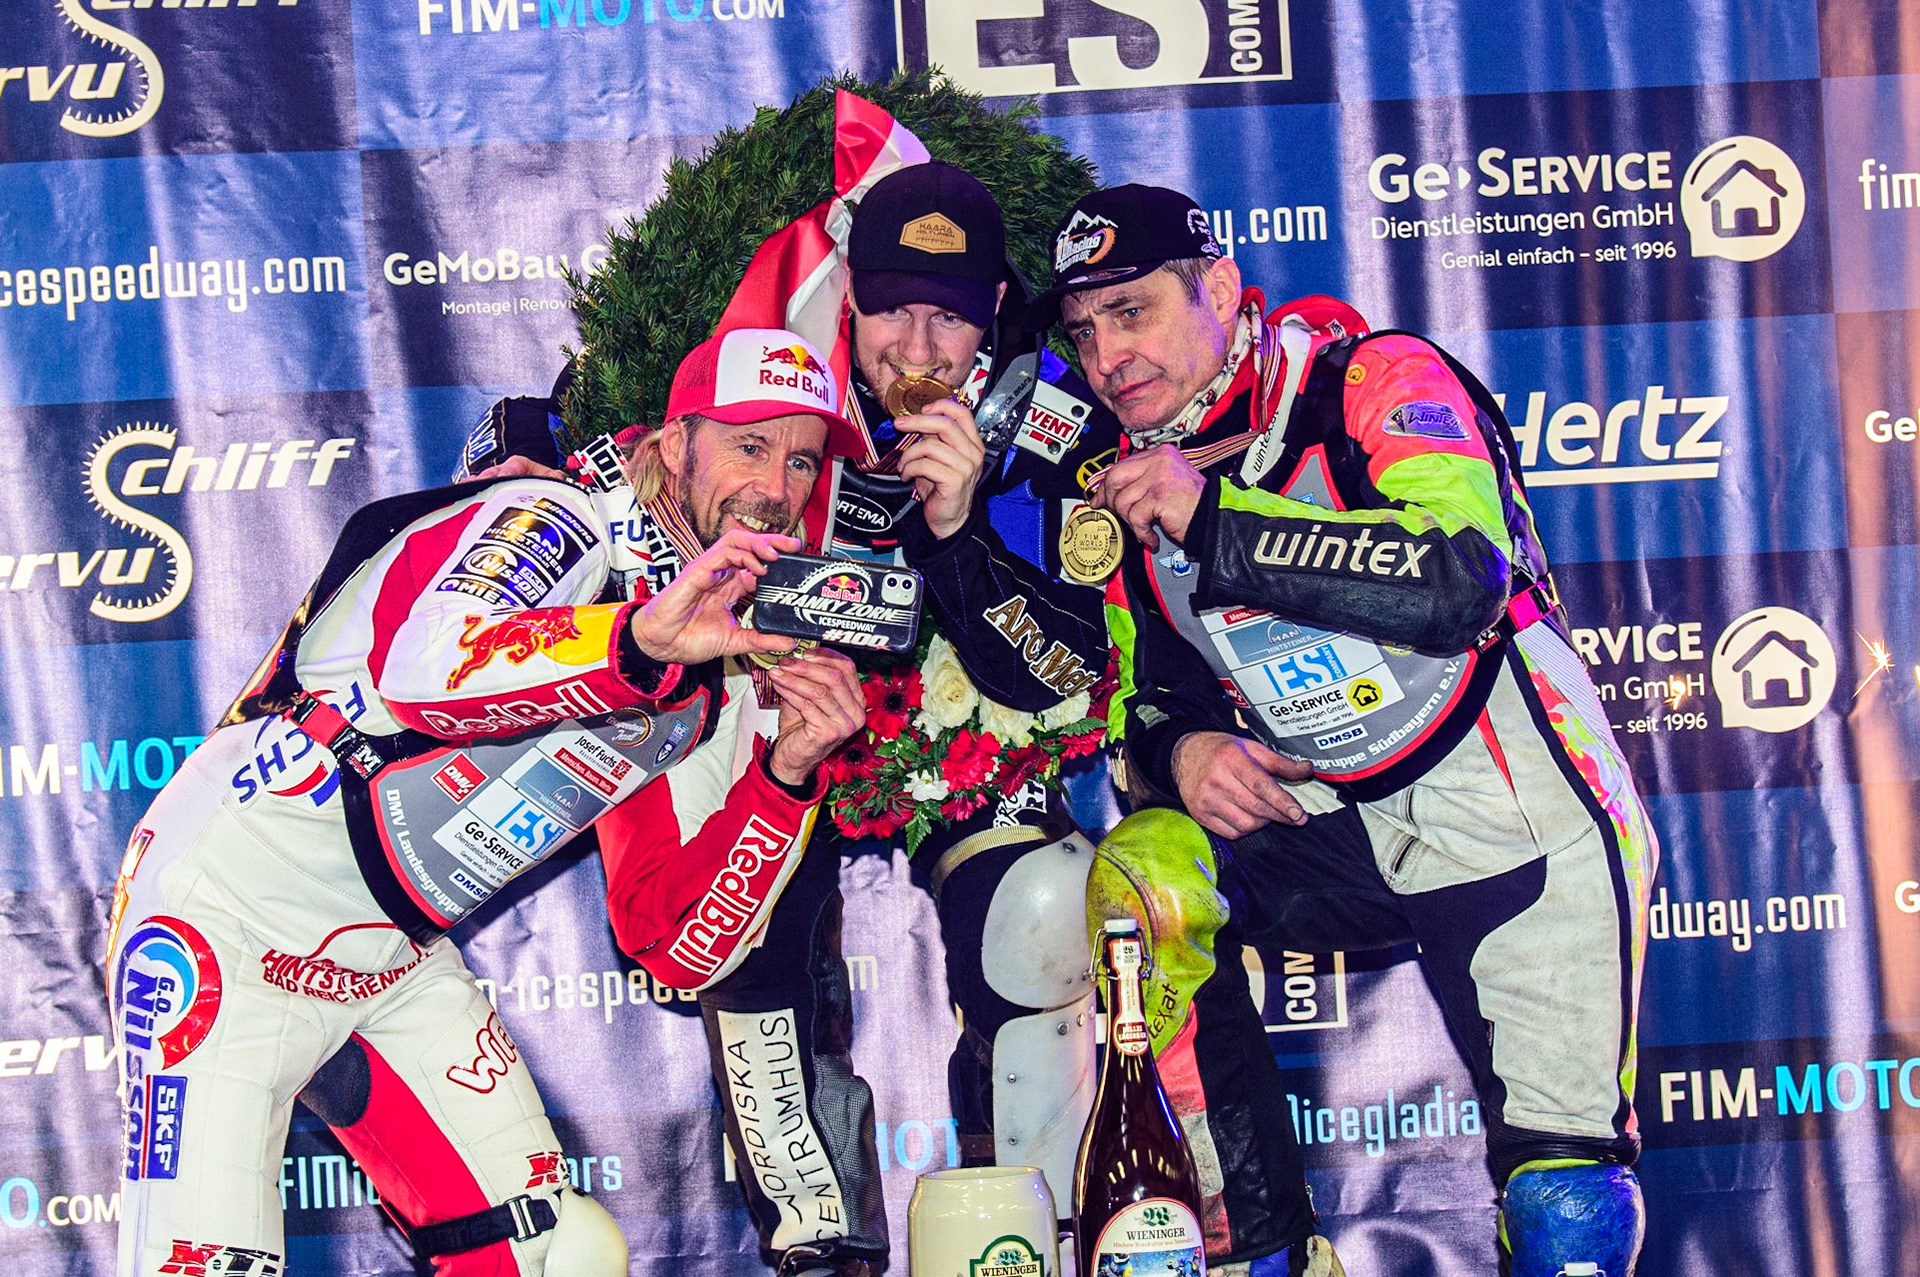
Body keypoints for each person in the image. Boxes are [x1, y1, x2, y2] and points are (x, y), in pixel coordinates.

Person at [106, 328, 868, 1277]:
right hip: (225, 914)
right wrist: (632, 645)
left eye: (801, 459)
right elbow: (427, 667)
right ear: (675, 444)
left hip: (383, 955)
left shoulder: (712, 655)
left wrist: (785, 771)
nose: (777, 487)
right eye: (749, 445)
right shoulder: (551, 513)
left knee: (556, 1253)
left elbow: (674, 944)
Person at [1026, 184, 1657, 1277]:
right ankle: (1255, 1248)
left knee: (1565, 1210)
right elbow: (1146, 695)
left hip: (1513, 801)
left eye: (1132, 310)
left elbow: (1461, 574)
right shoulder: (1133, 483)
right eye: (1084, 332)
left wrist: (1215, 519)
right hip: (1334, 814)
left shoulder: (1372, 378)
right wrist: (1182, 750)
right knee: (1146, 883)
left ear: (1219, 289)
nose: (1106, 353)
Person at [587, 160, 1126, 1277]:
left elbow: (1063, 677)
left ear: (993, 323)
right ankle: (820, 1244)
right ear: (851, 301)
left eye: (952, 316)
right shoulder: (776, 389)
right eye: (893, 308)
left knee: (1035, 907)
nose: (920, 346)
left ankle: (1033, 1235)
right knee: (745, 934)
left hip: (960, 753)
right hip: (787, 739)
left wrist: (956, 529)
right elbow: (618, 475)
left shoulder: (1054, 432)